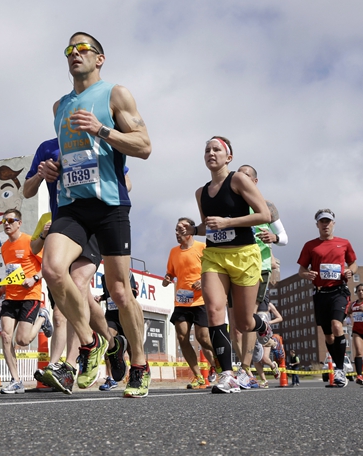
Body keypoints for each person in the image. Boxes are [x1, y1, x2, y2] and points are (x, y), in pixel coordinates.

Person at [43, 32, 152, 398]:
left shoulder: (114, 94)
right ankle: (90, 344)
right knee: (53, 270)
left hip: (109, 204)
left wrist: (103, 129)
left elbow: (144, 146)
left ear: (99, 58)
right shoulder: (59, 106)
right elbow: (76, 152)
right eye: (69, 50)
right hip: (73, 204)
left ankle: (139, 364)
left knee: (120, 292)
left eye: (82, 49)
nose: (74, 54)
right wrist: (56, 169)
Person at [25, 139, 127, 394]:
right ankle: (112, 344)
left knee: (78, 284)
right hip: (65, 224)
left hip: (93, 222)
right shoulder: (47, 148)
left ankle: (71, 364)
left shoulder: (98, 142)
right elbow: (26, 191)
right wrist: (40, 175)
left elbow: (126, 182)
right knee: (75, 296)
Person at [178, 136, 272, 394]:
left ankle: (262, 326)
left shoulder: (238, 180)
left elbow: (265, 214)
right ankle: (227, 374)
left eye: (216, 149)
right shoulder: (201, 192)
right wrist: (193, 229)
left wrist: (228, 222)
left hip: (244, 255)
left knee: (243, 322)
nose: (211, 153)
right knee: (215, 311)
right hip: (214, 256)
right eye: (207, 150)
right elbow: (209, 228)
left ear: (228, 157)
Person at [231, 164, 288, 388]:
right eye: (238, 176)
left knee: (248, 319)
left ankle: (245, 369)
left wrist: (273, 238)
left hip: (258, 266)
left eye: (245, 176)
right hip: (233, 265)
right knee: (235, 324)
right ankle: (244, 369)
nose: (240, 179)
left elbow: (284, 237)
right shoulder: (232, 204)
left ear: (254, 182)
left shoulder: (267, 206)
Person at [297, 209, 357, 388]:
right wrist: (307, 275)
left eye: (328, 221)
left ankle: (340, 369)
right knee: (329, 335)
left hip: (338, 291)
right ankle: (336, 365)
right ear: (317, 225)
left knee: (337, 325)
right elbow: (301, 270)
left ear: (333, 224)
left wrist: (350, 271)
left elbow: (353, 263)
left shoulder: (344, 243)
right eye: (322, 221)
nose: (325, 224)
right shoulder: (310, 245)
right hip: (320, 293)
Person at [0, 209, 52, 394]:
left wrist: (34, 278)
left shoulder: (30, 241)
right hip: (11, 297)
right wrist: (2, 288)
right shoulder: (4, 247)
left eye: (11, 220)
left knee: (23, 339)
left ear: (19, 223)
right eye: (4, 220)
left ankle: (42, 317)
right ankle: (16, 380)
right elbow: (11, 272)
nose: (6, 223)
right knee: (5, 336)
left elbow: (48, 266)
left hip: (30, 296)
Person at [162, 217, 215, 390]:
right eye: (176, 230)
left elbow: (214, 269)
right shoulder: (173, 252)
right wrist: (168, 278)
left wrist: (203, 279)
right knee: (182, 337)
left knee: (203, 338)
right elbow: (171, 273)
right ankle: (198, 376)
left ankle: (220, 365)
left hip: (201, 300)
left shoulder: (203, 247)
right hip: (182, 300)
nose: (178, 233)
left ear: (191, 230)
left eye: (182, 229)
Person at [95, 271, 138, 391]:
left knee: (130, 348)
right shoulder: (104, 277)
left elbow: (134, 293)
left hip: (125, 314)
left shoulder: (127, 274)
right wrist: (101, 297)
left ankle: (135, 373)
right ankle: (110, 378)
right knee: (107, 342)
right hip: (111, 316)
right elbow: (107, 294)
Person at [252, 296, 284, 388]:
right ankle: (264, 380)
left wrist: (269, 322)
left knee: (264, 359)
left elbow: (280, 318)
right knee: (256, 359)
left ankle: (273, 366)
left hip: (266, 333)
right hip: (254, 333)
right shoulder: (252, 303)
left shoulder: (268, 304)